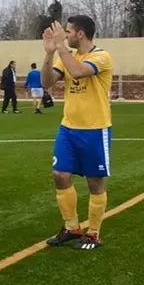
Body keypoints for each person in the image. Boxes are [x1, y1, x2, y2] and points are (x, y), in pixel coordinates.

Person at [41, 16, 112, 251]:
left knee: (94, 181)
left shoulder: (101, 56)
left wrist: (61, 48)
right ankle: (72, 227)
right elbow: (47, 83)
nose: (65, 35)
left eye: (68, 32)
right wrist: (50, 53)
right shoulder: (65, 56)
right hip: (68, 128)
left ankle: (93, 233)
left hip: (95, 129)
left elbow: (79, 72)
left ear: (80, 34)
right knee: (60, 174)